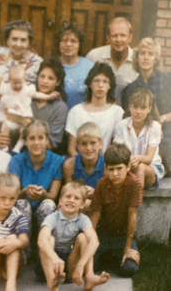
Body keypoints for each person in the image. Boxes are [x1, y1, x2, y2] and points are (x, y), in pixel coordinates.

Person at [36, 182, 110, 291]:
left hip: (71, 266)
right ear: (60, 201)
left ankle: (89, 277)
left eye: (76, 198)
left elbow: (95, 242)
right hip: (49, 264)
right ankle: (52, 283)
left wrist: (80, 266)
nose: (71, 200)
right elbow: (41, 240)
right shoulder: (52, 217)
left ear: (82, 204)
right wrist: (55, 258)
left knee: (83, 238)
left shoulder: (83, 219)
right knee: (49, 240)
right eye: (68, 196)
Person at [90, 143, 143, 277]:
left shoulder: (135, 184)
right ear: (106, 169)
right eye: (111, 169)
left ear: (128, 167)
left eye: (119, 168)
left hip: (122, 235)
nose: (115, 174)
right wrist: (89, 242)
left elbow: (132, 215)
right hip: (103, 234)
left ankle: (112, 258)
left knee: (129, 269)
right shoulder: (101, 184)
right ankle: (106, 257)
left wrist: (128, 248)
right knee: (89, 264)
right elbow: (95, 214)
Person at [121, 37, 171, 174]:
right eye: (142, 53)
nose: (146, 57)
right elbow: (128, 117)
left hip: (166, 130)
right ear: (136, 58)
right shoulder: (131, 89)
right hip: (142, 133)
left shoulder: (167, 80)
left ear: (156, 59)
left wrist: (161, 119)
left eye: (150, 54)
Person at [8, 120, 64, 236]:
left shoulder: (57, 161)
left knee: (48, 204)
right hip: (22, 207)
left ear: (47, 140)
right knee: (22, 203)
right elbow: (13, 194)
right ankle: (23, 249)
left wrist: (43, 194)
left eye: (40, 138)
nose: (36, 143)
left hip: (43, 207)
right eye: (32, 138)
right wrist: (25, 192)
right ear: (25, 141)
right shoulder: (16, 160)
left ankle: (43, 247)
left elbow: (52, 196)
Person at [66, 62, 124, 156]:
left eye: (105, 81)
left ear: (110, 86)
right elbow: (71, 149)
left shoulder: (117, 112)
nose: (100, 85)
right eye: (96, 81)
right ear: (90, 84)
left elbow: (116, 147)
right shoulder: (76, 111)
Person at [0, 65, 59, 138]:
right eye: (15, 83)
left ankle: (18, 146)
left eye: (20, 83)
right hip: (10, 115)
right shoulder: (6, 87)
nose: (17, 85)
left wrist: (48, 96)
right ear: (9, 80)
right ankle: (4, 146)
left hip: (23, 115)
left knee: (24, 132)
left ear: (25, 79)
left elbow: (37, 95)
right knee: (4, 128)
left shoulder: (27, 89)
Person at [114, 88, 164, 189]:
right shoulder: (121, 125)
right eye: (135, 107)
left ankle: (134, 205)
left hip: (150, 168)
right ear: (130, 107)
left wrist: (138, 159)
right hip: (127, 166)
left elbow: (149, 158)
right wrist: (128, 162)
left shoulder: (154, 126)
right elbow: (118, 154)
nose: (138, 111)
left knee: (140, 167)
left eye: (143, 108)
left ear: (149, 109)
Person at [86, 17, 138, 105]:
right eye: (114, 35)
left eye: (123, 35)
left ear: (130, 38)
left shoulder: (137, 60)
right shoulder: (94, 56)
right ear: (108, 37)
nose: (118, 40)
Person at [0, 19, 43, 91]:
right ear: (7, 40)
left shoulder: (37, 63)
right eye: (14, 39)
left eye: (23, 40)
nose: (18, 44)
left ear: (29, 42)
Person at [31, 58, 68, 154]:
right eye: (42, 76)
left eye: (50, 78)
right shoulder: (28, 98)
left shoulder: (60, 107)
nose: (45, 81)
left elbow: (51, 143)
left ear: (58, 82)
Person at [53, 23, 94, 109]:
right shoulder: (51, 65)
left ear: (80, 44)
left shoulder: (90, 67)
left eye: (73, 41)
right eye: (64, 40)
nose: (68, 44)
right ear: (58, 43)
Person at [63, 122, 104, 203]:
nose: (88, 148)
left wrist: (95, 193)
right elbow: (67, 194)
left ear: (100, 143)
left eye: (93, 143)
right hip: (75, 204)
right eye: (84, 144)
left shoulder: (106, 165)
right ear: (78, 145)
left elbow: (110, 196)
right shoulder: (70, 165)